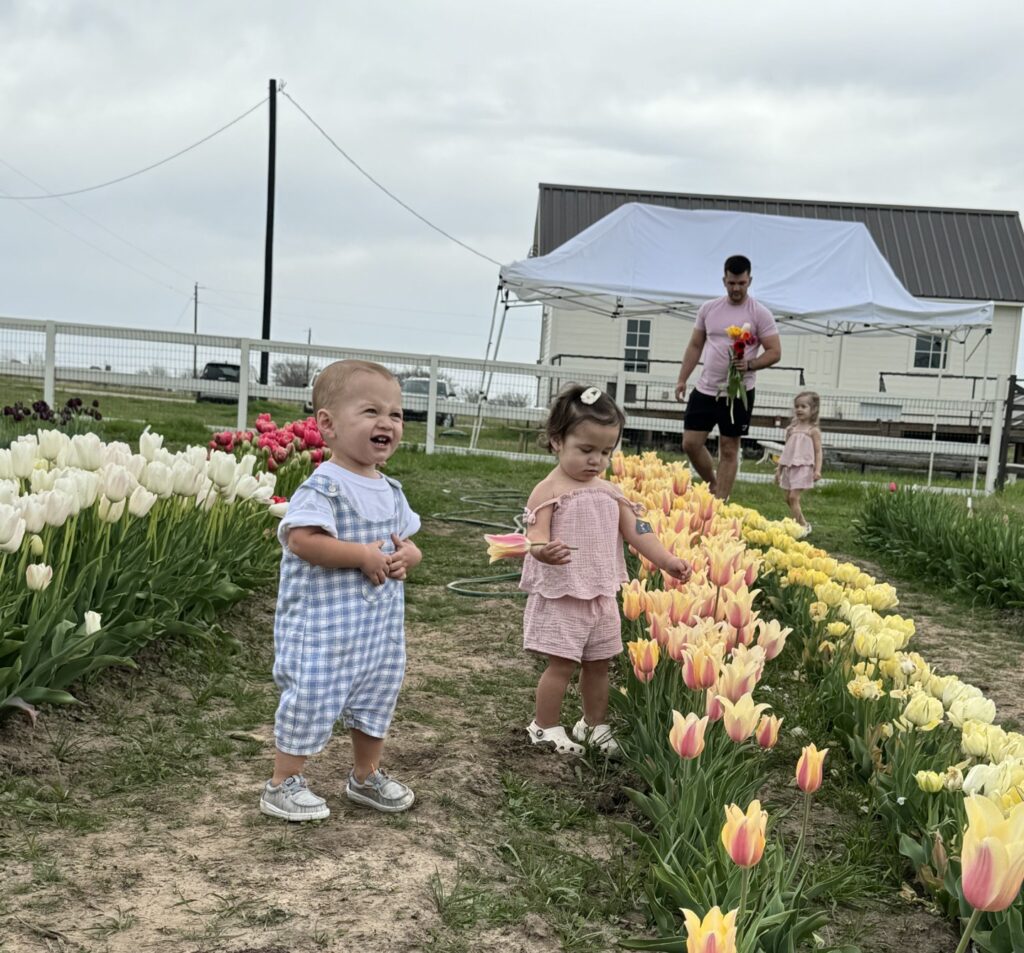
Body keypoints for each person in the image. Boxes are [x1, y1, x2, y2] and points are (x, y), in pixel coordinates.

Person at [260, 359, 422, 821]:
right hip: (323, 629)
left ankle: (365, 776)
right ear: (327, 425)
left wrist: (408, 557)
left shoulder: (391, 489)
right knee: (311, 697)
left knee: (377, 695)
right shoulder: (323, 488)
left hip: (378, 632)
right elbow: (301, 540)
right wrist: (362, 556)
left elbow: (407, 543)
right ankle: (282, 783)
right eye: (371, 411)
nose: (386, 423)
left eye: (395, 414)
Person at [520, 383, 693, 756]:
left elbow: (638, 531)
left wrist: (666, 560)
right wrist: (542, 551)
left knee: (600, 663)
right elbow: (533, 537)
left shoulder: (610, 492)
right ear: (556, 442)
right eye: (586, 450)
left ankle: (593, 725)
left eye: (605, 451)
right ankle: (544, 726)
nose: (596, 460)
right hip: (563, 593)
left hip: (601, 592)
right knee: (562, 665)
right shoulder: (548, 490)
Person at [675, 254, 782, 499]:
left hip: (738, 392)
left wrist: (750, 364)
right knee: (690, 443)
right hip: (706, 388)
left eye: (741, 283)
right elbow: (695, 345)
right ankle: (713, 482)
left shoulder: (760, 313)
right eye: (732, 283)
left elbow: (775, 352)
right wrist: (682, 378)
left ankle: (720, 501)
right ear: (724, 280)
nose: (736, 288)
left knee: (729, 447)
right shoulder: (709, 309)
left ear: (749, 281)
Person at [775, 390, 823, 534]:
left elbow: (818, 451)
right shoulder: (791, 430)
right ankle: (802, 523)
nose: (799, 409)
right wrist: (779, 469)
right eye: (797, 406)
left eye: (803, 406)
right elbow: (787, 451)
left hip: (804, 468)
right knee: (787, 498)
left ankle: (800, 528)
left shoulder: (813, 431)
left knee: (793, 497)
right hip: (790, 467)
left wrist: (817, 470)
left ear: (813, 410)